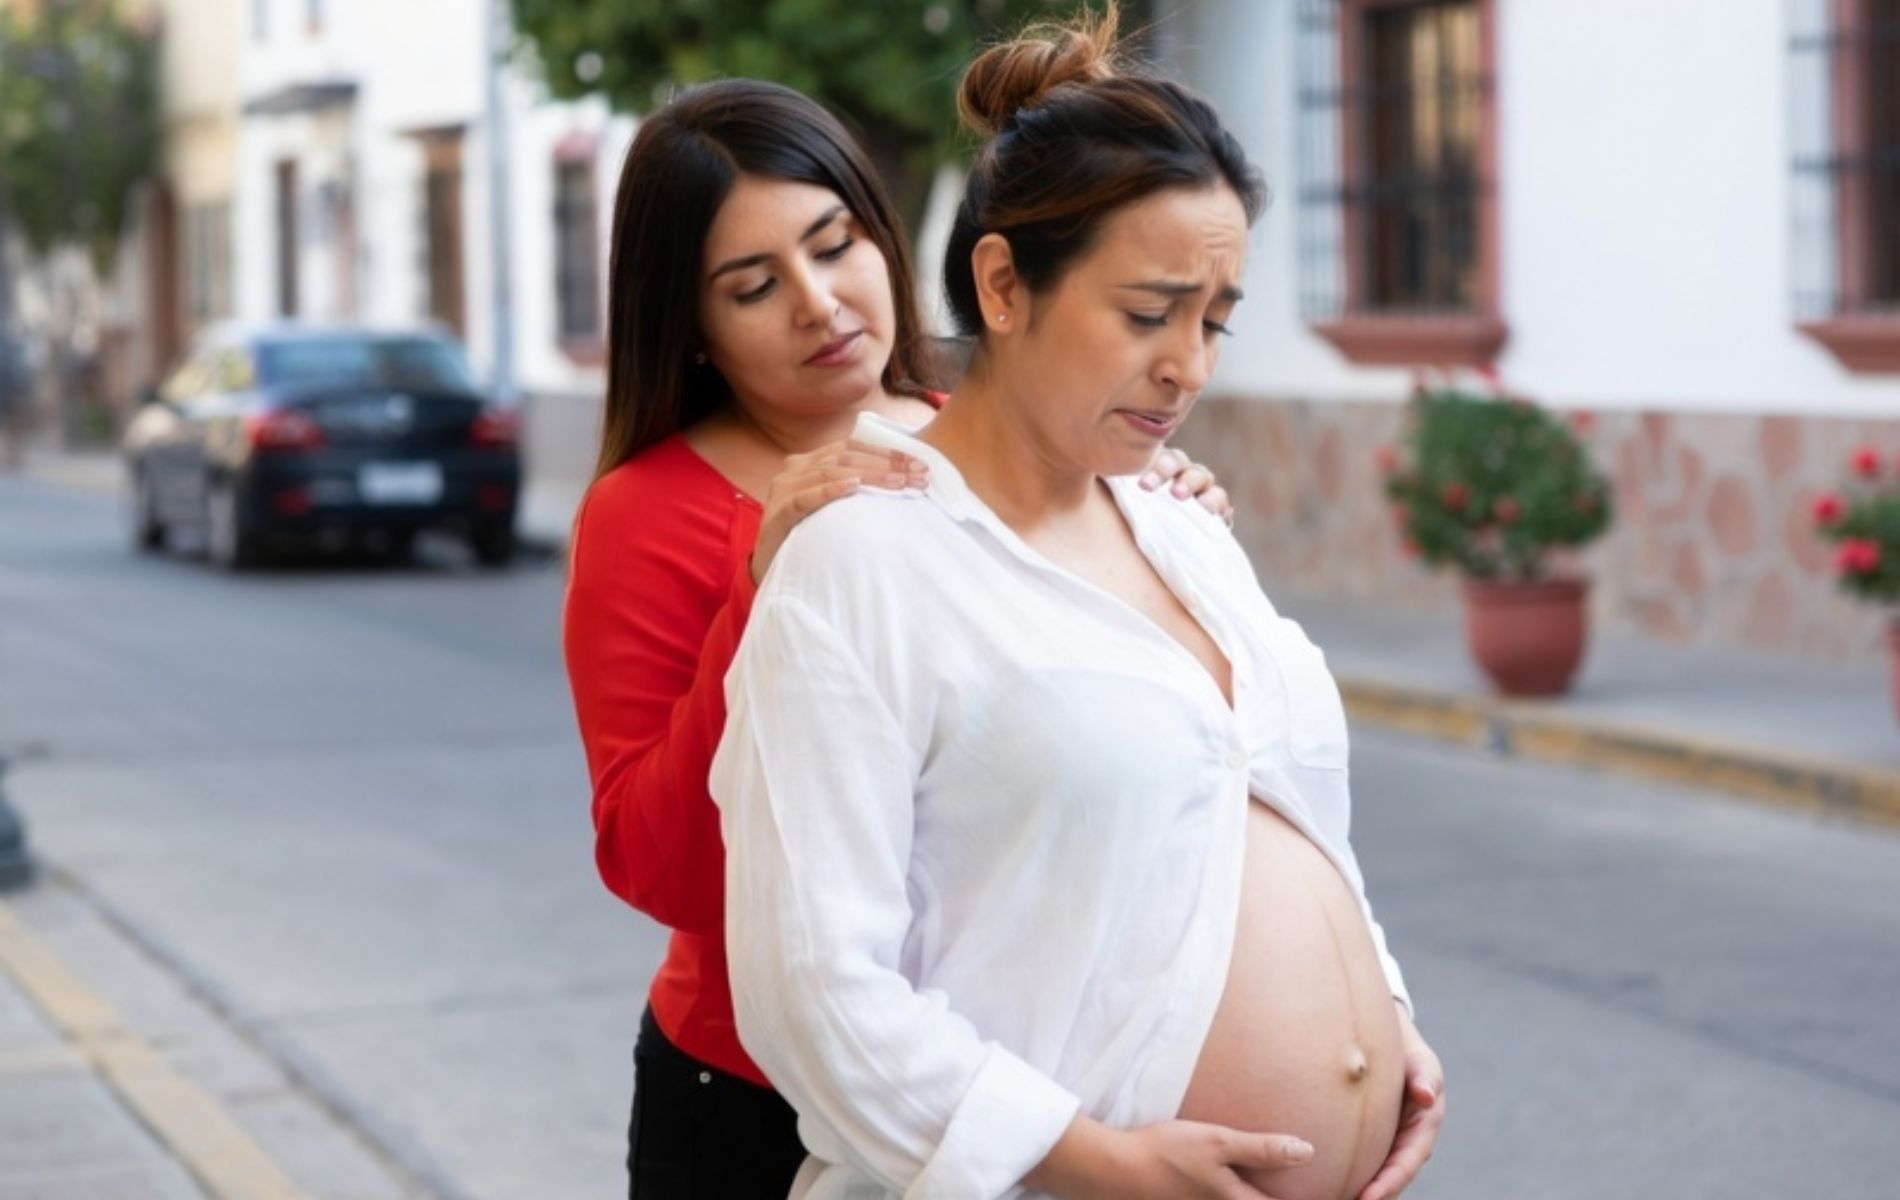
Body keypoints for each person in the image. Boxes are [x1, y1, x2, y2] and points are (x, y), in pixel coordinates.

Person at [711, 10, 1445, 1200]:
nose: (1189, 366)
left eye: (1214, 321)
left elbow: (1283, 826)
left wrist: (1388, 1025)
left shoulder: (1185, 530)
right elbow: (810, 986)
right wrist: (1092, 1160)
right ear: (1003, 284)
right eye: (1149, 313)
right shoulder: (864, 565)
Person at [560, 75, 1233, 1199]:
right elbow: (655, 863)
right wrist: (758, 592)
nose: (820, 305)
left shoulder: (1000, 437)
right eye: (753, 285)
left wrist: (1150, 514)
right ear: (692, 324)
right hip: (753, 1100)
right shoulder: (648, 512)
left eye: (836, 245)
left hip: (1016, 1071)